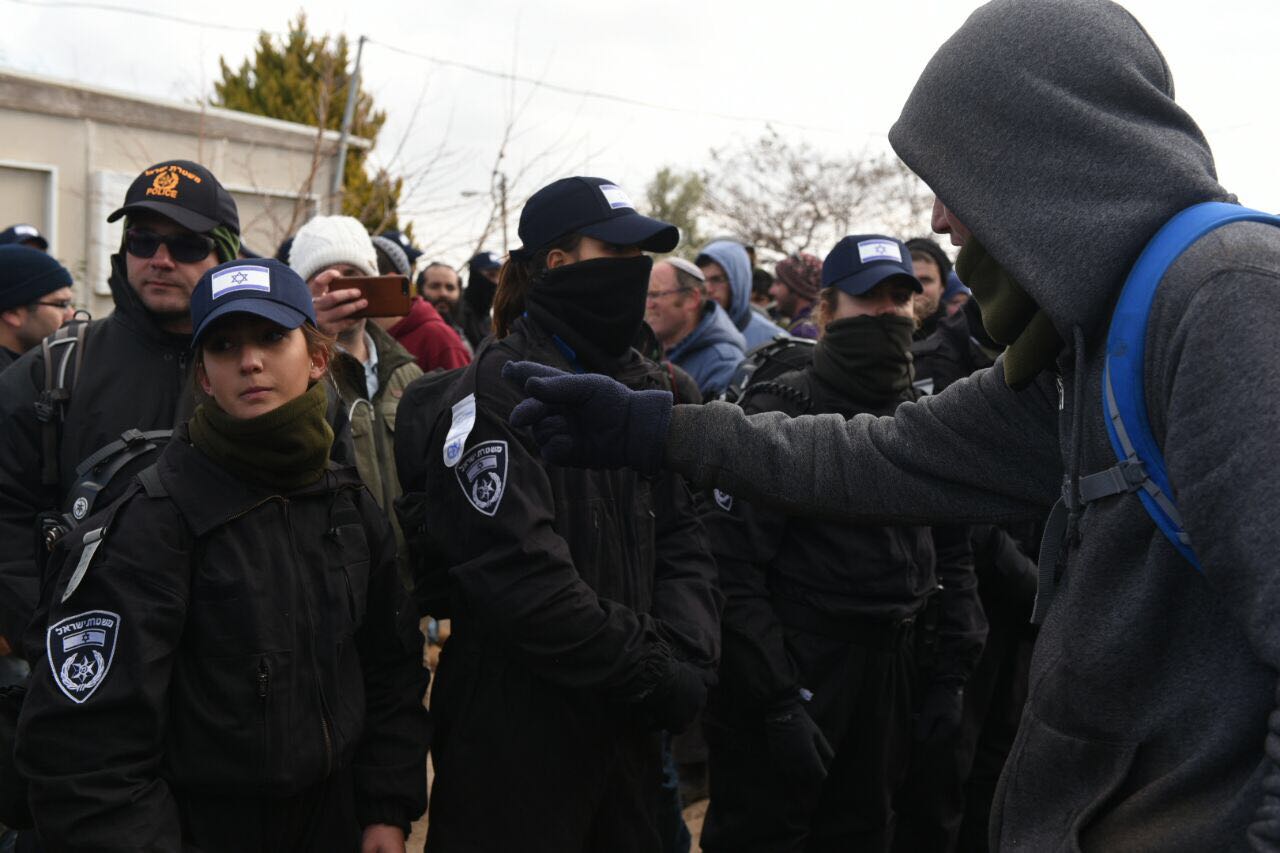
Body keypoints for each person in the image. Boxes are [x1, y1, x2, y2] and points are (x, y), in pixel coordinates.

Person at [502, 1, 1280, 846]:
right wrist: (668, 431)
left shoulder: (1223, 300)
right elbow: (888, 456)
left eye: (952, 182)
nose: (941, 222)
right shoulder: (1099, 341)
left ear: (1035, 151)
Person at [16, 258, 429, 852]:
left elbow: (389, 669)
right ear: (205, 378)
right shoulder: (152, 521)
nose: (250, 360)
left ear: (317, 358)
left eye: (270, 337)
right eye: (224, 344)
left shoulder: (348, 503)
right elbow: (87, 749)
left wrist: (385, 809)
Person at [398, 176, 719, 853]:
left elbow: (685, 535)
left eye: (644, 259)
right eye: (618, 252)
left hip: (631, 736)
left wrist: (689, 651)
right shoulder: (493, 390)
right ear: (557, 264)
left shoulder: (651, 386)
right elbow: (522, 578)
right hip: (515, 746)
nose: (636, 273)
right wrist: (657, 671)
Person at [698, 236, 984, 853]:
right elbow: (730, 569)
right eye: (867, 299)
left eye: (899, 298)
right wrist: (776, 697)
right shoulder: (781, 408)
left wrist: (949, 675)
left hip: (893, 671)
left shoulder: (924, 417)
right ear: (828, 310)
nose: (887, 313)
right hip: (800, 668)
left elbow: (955, 552)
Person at [0, 159, 240, 649]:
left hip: (236, 681)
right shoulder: (55, 368)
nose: (160, 259)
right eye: (142, 240)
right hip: (85, 679)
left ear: (226, 256)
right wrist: (54, 643)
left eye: (187, 244)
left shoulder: (272, 372)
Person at [289, 215, 423, 585]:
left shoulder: (407, 373)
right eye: (324, 279)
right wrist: (309, 339)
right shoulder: (288, 374)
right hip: (325, 582)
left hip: (401, 584)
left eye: (351, 275)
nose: (339, 290)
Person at [647, 258, 745, 398]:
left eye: (656, 294)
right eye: (646, 295)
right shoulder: (653, 346)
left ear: (691, 299)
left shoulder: (722, 365)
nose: (648, 305)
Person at [371, 238, 471, 373]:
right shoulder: (355, 335)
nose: (443, 294)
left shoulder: (442, 341)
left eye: (450, 288)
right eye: (435, 286)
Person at [696, 240, 784, 350]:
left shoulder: (775, 343)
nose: (708, 289)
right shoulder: (686, 333)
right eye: (702, 280)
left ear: (738, 281)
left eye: (717, 279)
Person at [0, 247, 75, 371]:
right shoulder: (11, 383)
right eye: (61, 304)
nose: (72, 315)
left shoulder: (34, 370)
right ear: (12, 313)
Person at [768, 253, 822, 339]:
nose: (771, 291)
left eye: (778, 283)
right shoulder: (813, 327)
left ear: (798, 290)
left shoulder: (803, 334)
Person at [456, 250, 502, 350]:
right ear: (475, 276)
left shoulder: (488, 318)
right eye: (491, 275)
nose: (496, 283)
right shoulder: (456, 309)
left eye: (500, 277)